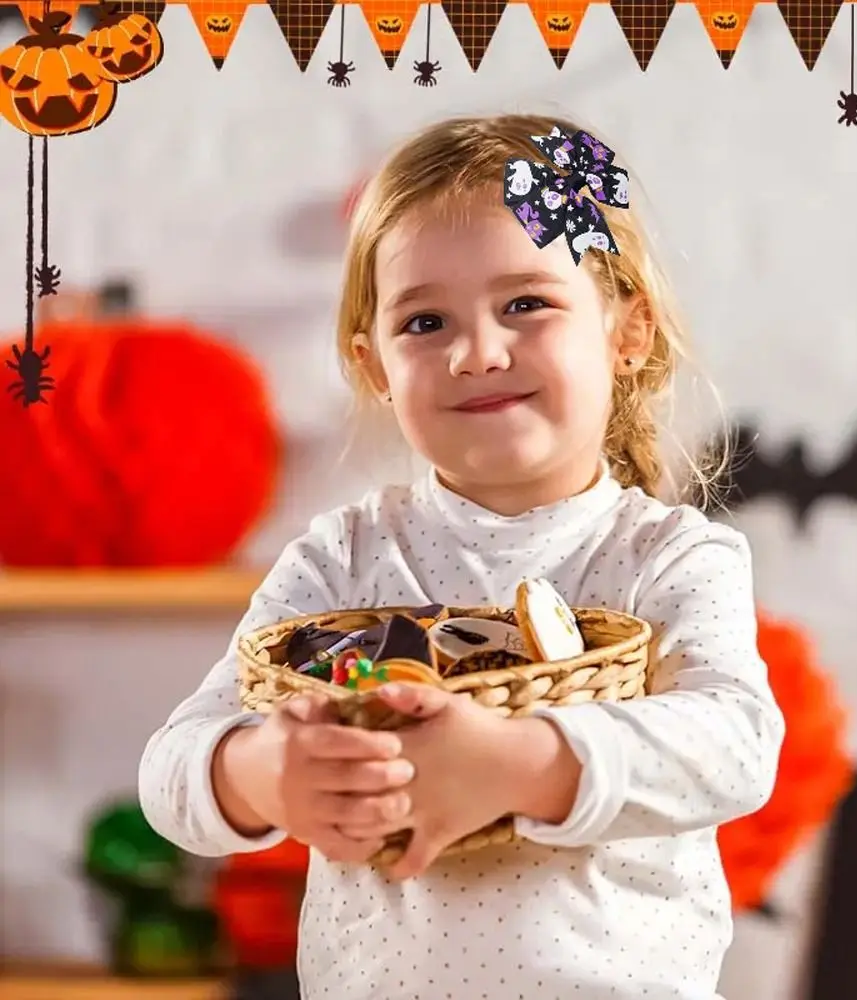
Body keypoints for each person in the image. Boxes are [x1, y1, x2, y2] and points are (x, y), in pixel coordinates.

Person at [139, 113, 785, 1000]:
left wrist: (524, 762)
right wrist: (262, 775)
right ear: (374, 367)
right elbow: (173, 767)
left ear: (626, 330)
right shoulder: (344, 560)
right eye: (425, 320)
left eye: (526, 304)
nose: (476, 352)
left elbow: (735, 746)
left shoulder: (669, 558)